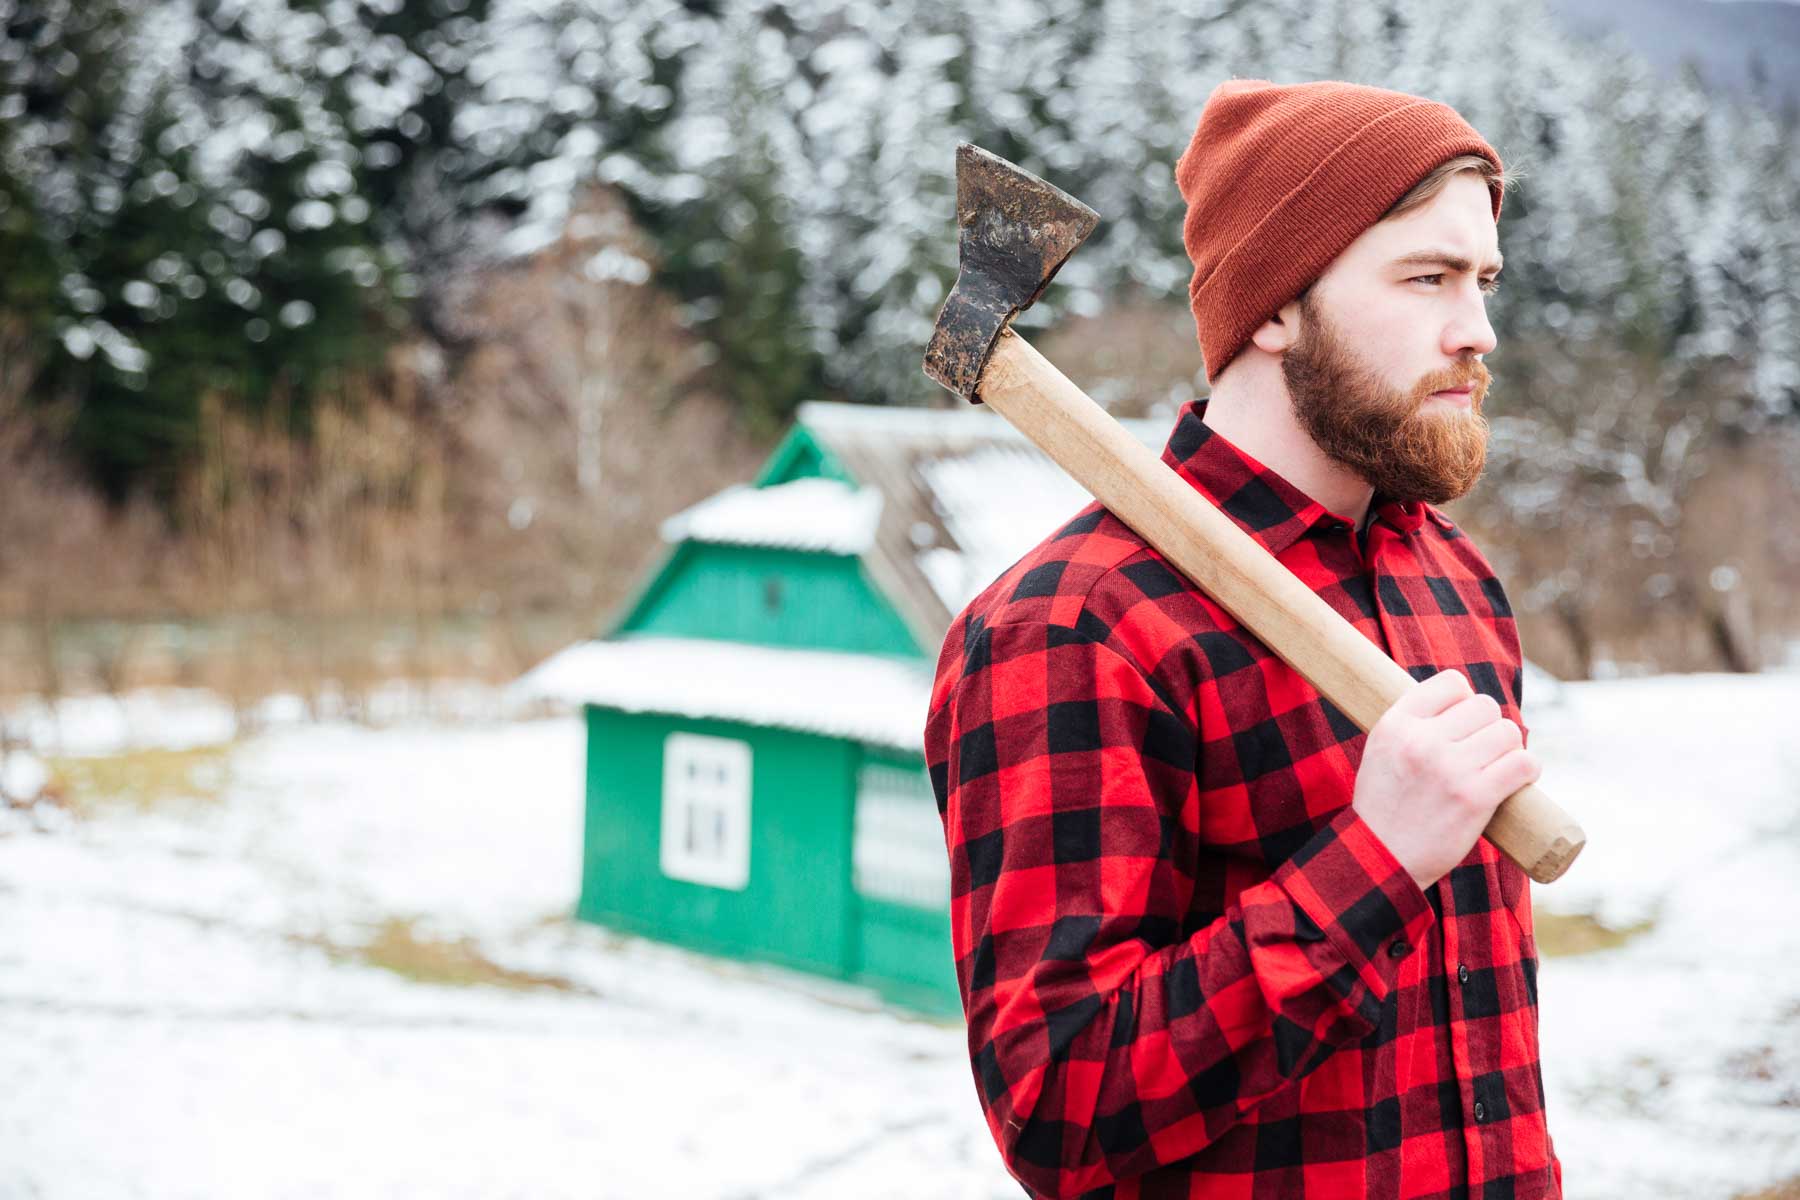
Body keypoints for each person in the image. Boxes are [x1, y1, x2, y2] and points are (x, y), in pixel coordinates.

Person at [923, 79, 1562, 1200]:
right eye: (1428, 279)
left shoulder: (1455, 581)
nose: (1478, 330)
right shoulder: (1074, 626)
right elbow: (1060, 1111)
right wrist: (1376, 859)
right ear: (1274, 306)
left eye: (1484, 280)